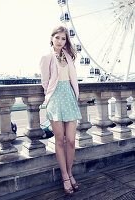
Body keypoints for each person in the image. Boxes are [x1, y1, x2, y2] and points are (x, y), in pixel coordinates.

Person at [40, 26, 82, 195]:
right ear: (52, 38)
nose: (60, 41)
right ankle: (65, 177)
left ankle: (70, 172)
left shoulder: (69, 56)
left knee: (71, 140)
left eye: (63, 38)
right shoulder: (46, 57)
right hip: (56, 98)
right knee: (59, 140)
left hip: (69, 97)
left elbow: (72, 78)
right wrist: (49, 99)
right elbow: (45, 81)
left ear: (66, 40)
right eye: (57, 37)